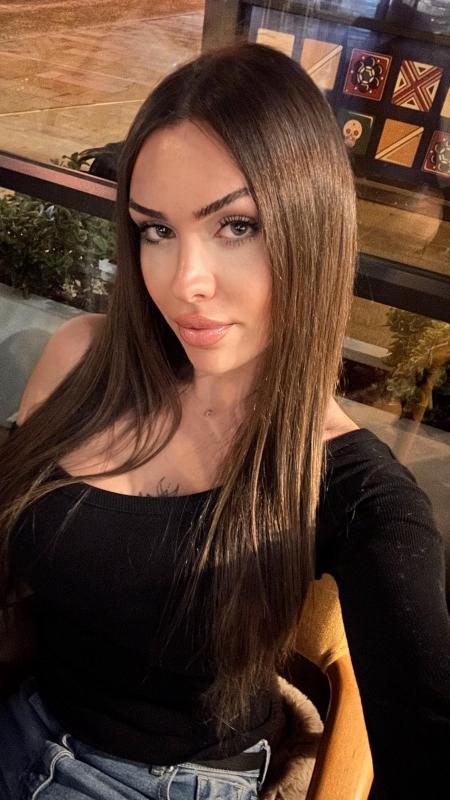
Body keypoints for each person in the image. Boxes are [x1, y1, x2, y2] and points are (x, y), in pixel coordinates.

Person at [0, 42, 448, 800]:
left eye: (236, 226)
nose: (187, 283)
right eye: (156, 230)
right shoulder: (83, 358)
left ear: (311, 230)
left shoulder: (354, 489)